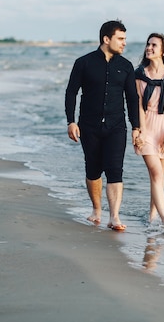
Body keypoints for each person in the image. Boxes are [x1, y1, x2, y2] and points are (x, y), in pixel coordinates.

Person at [65, 20, 140, 231]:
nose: (124, 43)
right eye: (121, 39)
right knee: (93, 169)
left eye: (125, 39)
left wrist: (136, 127)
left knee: (115, 170)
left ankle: (114, 216)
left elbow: (132, 98)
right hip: (89, 126)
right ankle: (97, 210)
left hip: (117, 126)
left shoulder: (125, 66)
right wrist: (71, 121)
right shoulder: (84, 63)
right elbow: (71, 92)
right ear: (107, 39)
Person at [133, 33, 164, 227]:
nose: (149, 48)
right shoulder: (139, 74)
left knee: (160, 176)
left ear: (163, 51)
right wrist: (141, 131)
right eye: (148, 44)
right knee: (156, 173)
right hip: (147, 127)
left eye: (154, 45)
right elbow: (138, 105)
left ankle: (152, 217)